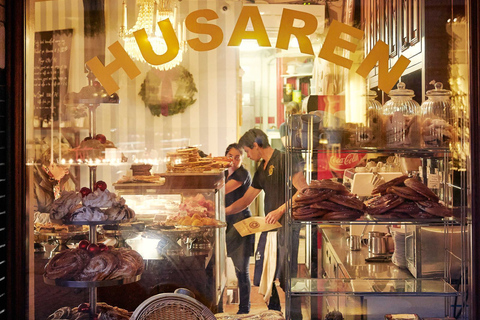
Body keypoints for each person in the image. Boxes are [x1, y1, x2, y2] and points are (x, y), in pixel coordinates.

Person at [225, 129, 308, 317]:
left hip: (287, 226)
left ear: (256, 145)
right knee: (264, 274)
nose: (247, 155)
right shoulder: (261, 168)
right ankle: (274, 313)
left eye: (247, 150)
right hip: (269, 227)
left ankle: (295, 316)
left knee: (288, 278)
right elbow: (246, 200)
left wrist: (280, 210)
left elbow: (303, 189)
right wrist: (224, 212)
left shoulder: (285, 159)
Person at [224, 143, 254, 315]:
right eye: (230, 156)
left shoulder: (242, 174)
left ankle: (244, 309)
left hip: (242, 223)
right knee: (230, 266)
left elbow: (223, 190)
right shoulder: (222, 174)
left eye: (237, 157)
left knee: (241, 269)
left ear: (242, 159)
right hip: (227, 222)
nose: (233, 160)